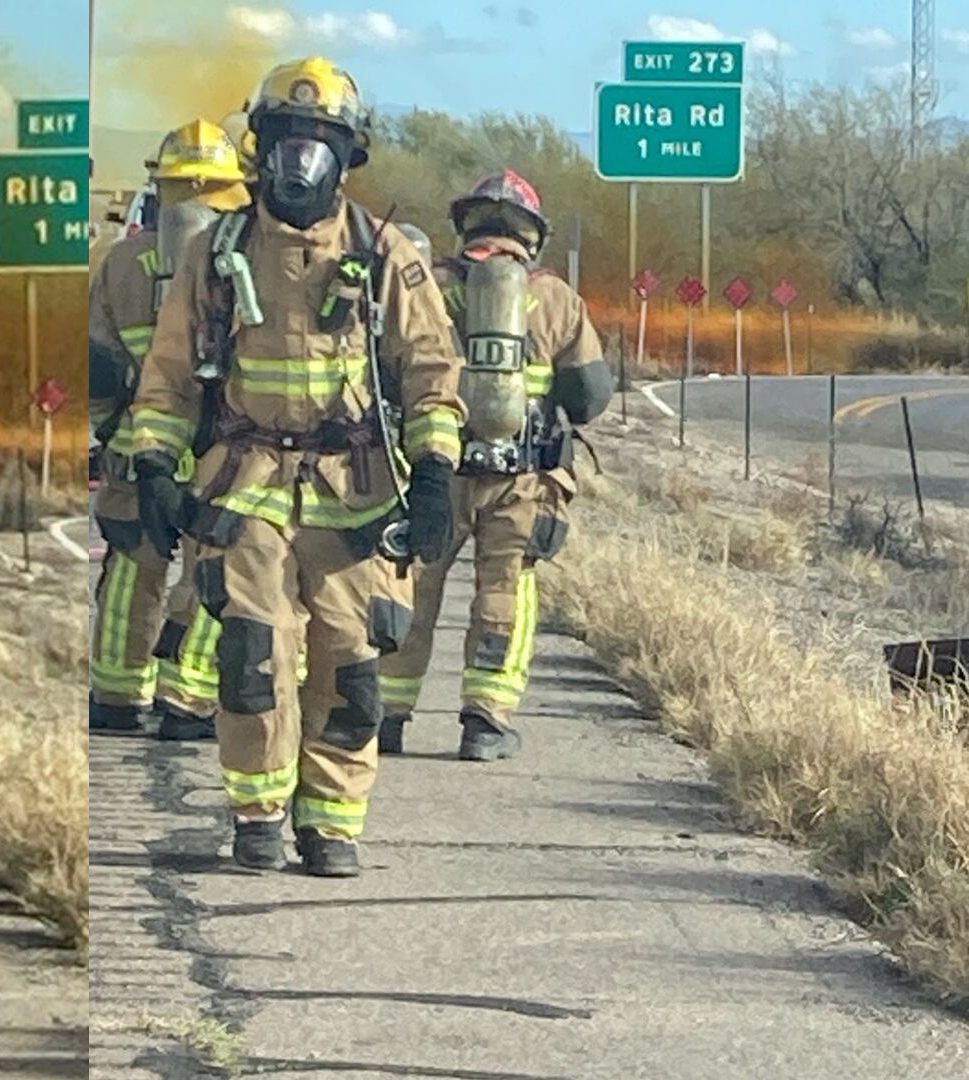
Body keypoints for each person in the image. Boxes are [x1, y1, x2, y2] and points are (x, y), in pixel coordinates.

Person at [126, 57, 465, 877]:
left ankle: (332, 823)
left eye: (321, 144)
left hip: (355, 495)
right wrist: (155, 466)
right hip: (243, 488)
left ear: (348, 156)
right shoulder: (216, 252)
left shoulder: (386, 256)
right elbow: (169, 375)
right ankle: (256, 813)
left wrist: (434, 475)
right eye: (287, 140)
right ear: (261, 146)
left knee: (351, 663)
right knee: (252, 654)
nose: (301, 161)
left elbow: (430, 372)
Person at [377, 170, 612, 762]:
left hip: (437, 467)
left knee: (412, 583)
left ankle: (386, 714)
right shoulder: (556, 299)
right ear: (532, 236)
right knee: (505, 591)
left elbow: (387, 368)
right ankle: (487, 721)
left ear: (465, 226)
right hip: (523, 479)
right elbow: (588, 398)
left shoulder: (428, 287)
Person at [88, 119, 249, 733]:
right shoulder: (246, 260)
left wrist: (110, 436)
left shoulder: (122, 262)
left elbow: (100, 369)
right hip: (223, 452)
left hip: (139, 448)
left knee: (133, 567)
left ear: (163, 188)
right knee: (220, 567)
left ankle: (116, 695)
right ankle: (186, 700)